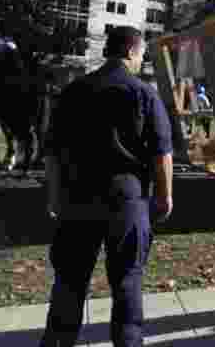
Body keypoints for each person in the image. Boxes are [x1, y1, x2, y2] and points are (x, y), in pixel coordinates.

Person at [38, 26, 174, 347]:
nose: (141, 61)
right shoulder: (143, 93)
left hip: (77, 198)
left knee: (69, 280)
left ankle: (58, 342)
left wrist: (54, 196)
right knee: (127, 279)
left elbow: (53, 153)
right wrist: (164, 197)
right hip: (126, 199)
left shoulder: (73, 91)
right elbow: (161, 153)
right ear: (131, 52)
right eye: (141, 55)